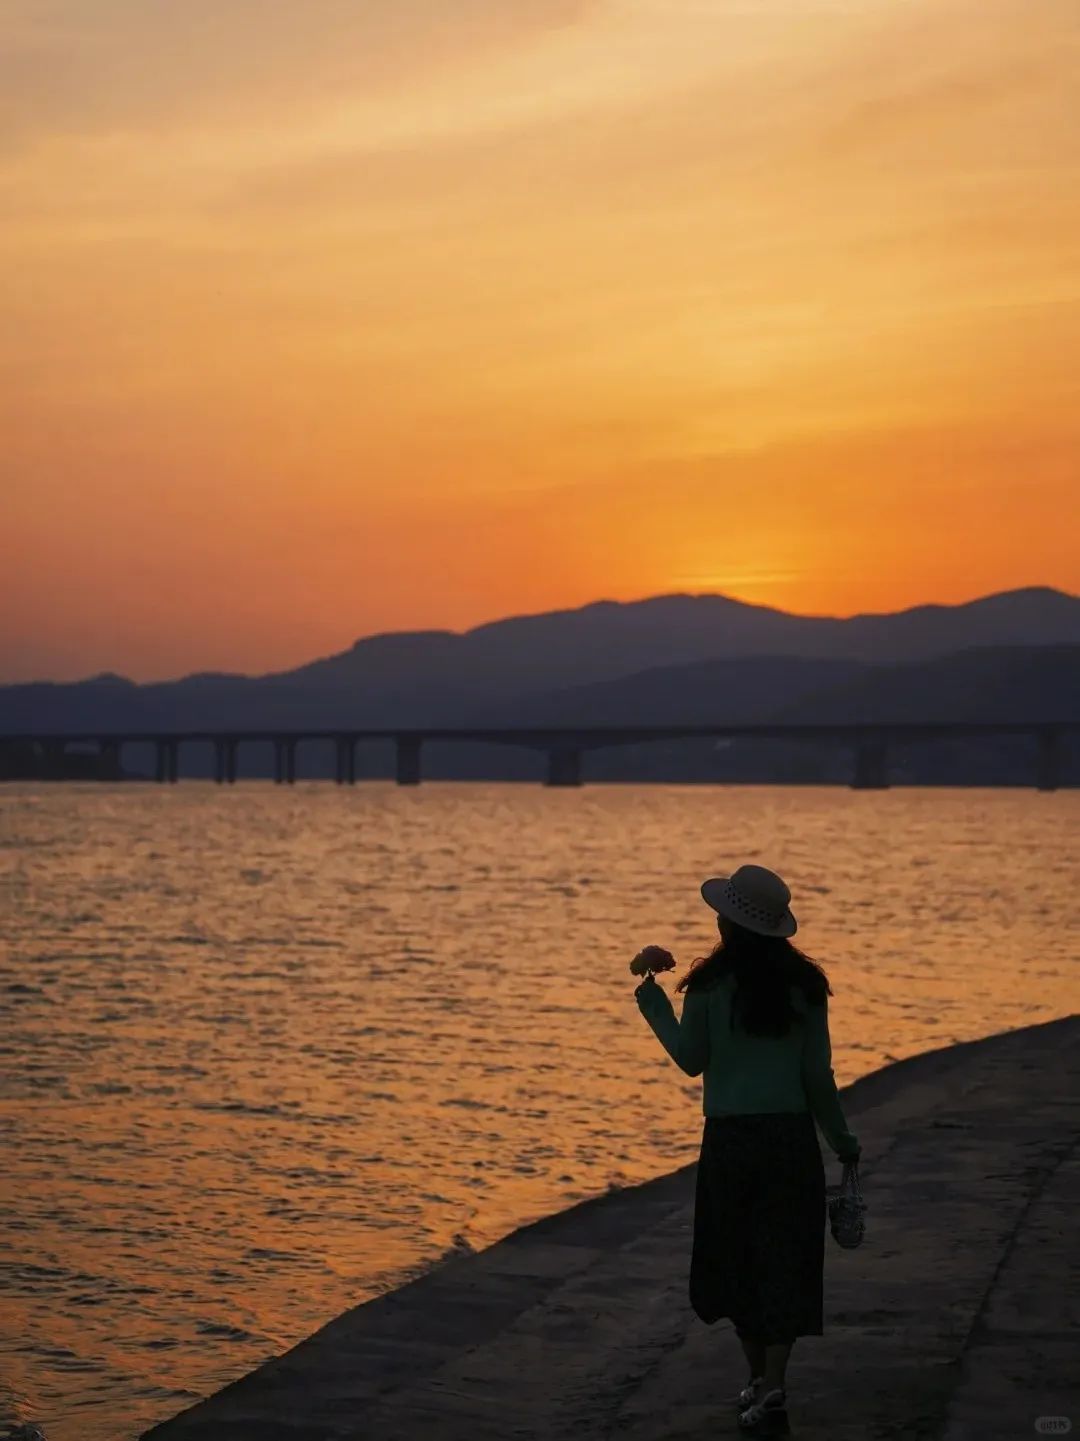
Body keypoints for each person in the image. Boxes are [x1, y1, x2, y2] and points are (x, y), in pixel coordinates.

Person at [634, 863, 860, 1438]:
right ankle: (773, 1383)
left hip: (730, 1142)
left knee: (736, 1259)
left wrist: (653, 1003)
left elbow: (691, 1060)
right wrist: (843, 1141)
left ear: (727, 923)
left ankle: (758, 1378)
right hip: (790, 1140)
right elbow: (817, 1076)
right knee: (784, 1258)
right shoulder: (805, 987)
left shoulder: (709, 986)